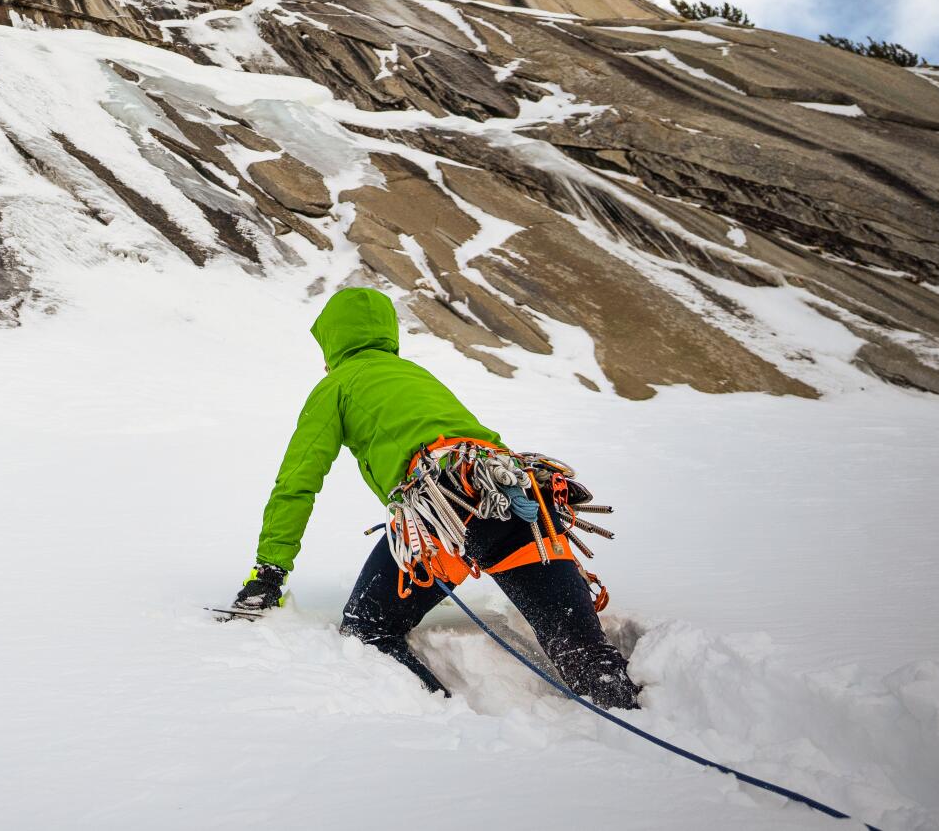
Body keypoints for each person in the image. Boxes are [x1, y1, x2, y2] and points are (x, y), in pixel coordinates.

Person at [233, 287, 640, 708]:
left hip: (441, 516)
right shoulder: (416, 375)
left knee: (367, 627)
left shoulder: (336, 386)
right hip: (522, 498)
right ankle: (637, 720)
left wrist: (269, 573)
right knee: (586, 655)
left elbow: (296, 484)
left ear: (334, 341)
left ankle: (443, 721)